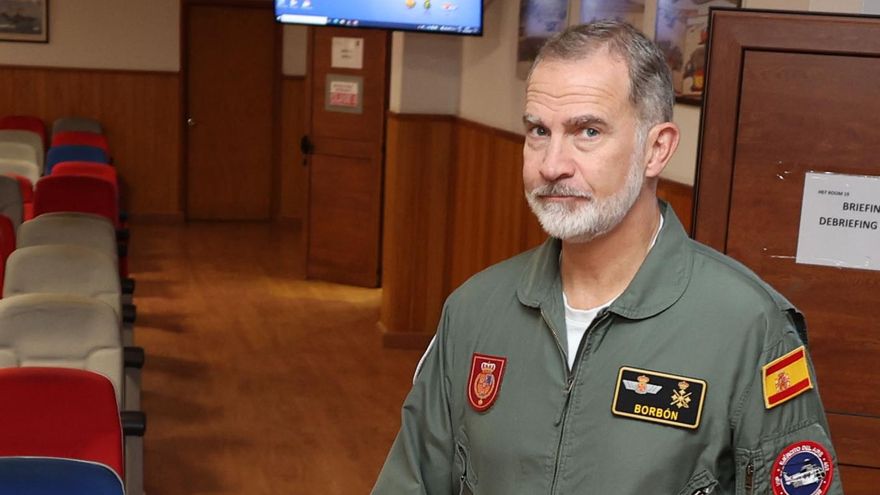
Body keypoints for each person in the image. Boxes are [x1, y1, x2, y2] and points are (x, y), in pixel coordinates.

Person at [372, 21, 842, 495]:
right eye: (538, 130)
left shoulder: (749, 327)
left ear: (656, 149)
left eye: (588, 131)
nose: (552, 164)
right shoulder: (473, 311)